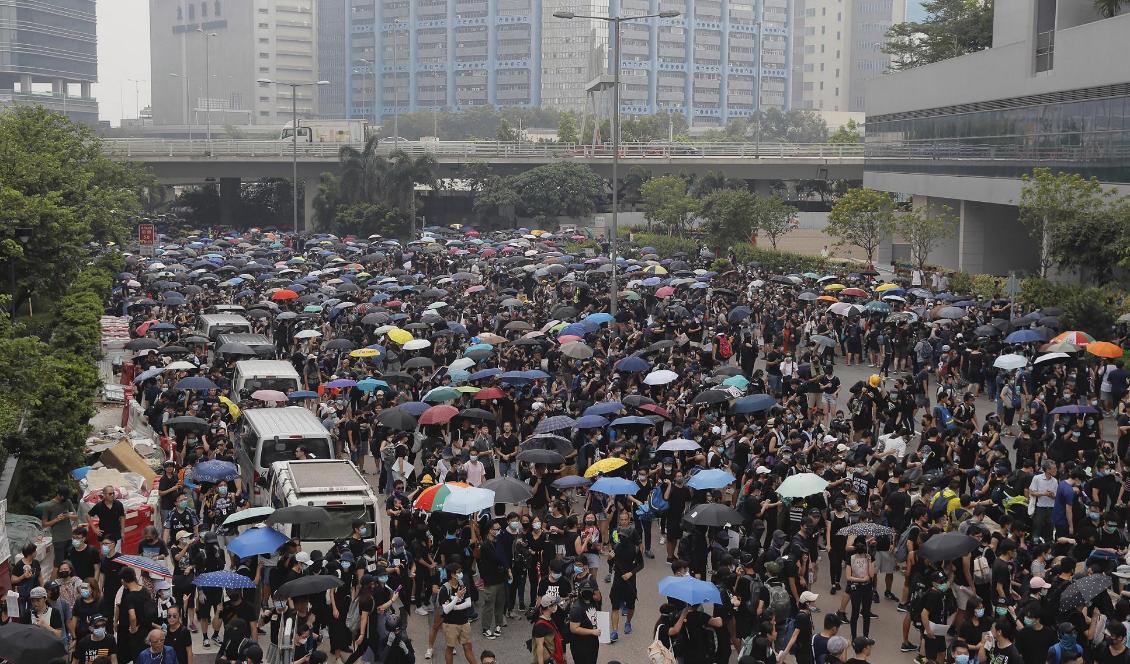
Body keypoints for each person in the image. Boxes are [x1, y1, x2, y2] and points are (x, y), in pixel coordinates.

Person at [437, 563, 474, 664]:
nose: (461, 574)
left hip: (464, 622)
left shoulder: (462, 585)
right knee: (450, 648)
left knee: (468, 647)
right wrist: (457, 597)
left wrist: (455, 606)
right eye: (459, 572)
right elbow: (446, 610)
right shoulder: (444, 589)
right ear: (453, 575)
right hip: (450, 624)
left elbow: (468, 603)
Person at [37, 486, 77, 566]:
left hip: (69, 536)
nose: (64, 498)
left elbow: (76, 517)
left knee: (69, 562)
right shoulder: (48, 506)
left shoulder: (68, 502)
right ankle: (56, 578)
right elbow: (44, 524)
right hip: (58, 539)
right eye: (63, 497)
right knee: (59, 563)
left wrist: (68, 515)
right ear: (59, 495)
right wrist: (56, 519)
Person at [567, 587, 601, 664]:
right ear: (580, 592)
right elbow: (574, 628)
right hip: (580, 646)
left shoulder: (594, 603)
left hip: (593, 643)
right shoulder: (577, 608)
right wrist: (592, 632)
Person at [529, 596, 565, 664]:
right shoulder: (540, 626)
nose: (556, 606)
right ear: (549, 607)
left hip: (552, 658)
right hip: (546, 661)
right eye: (554, 604)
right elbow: (539, 646)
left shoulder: (549, 619)